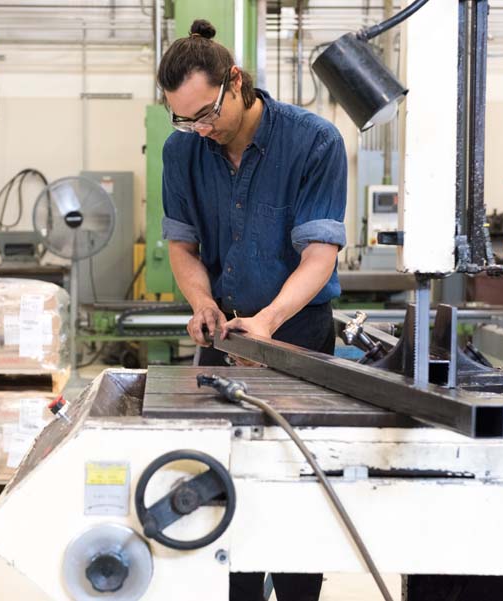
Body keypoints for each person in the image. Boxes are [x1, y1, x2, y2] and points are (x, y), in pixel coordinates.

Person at [157, 18, 348, 601]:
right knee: (224, 488)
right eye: (184, 119)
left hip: (297, 335)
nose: (199, 129)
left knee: (295, 489)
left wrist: (268, 324)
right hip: (224, 335)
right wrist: (203, 303)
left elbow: (319, 256)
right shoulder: (182, 149)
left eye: (207, 114)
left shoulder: (315, 142)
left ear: (235, 82)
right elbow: (182, 246)